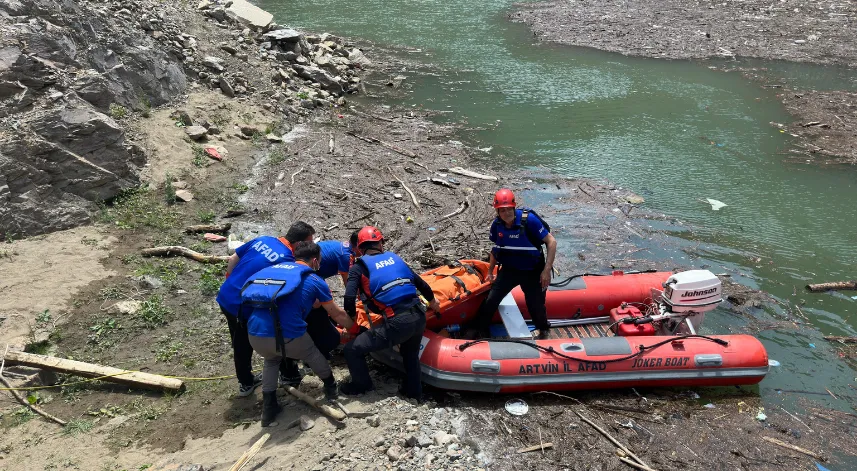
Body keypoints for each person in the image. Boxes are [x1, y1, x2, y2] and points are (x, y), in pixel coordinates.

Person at [241, 241, 355, 427]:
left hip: (255, 333)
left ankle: (268, 410)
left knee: (271, 360)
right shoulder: (314, 279)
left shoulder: (275, 269)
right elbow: (336, 313)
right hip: (288, 335)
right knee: (311, 353)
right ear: (316, 261)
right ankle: (330, 388)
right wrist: (354, 328)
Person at [215, 221, 315, 397]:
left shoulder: (263, 240)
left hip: (226, 294)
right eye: (309, 242)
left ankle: (247, 381)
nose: (311, 246)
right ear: (299, 244)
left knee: (239, 341)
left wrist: (231, 282)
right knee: (273, 332)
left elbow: (232, 260)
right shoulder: (286, 258)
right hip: (241, 305)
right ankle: (284, 375)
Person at [339, 226, 440, 400]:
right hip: (418, 314)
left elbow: (349, 298)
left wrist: (352, 320)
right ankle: (414, 393)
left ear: (360, 248)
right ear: (380, 243)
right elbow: (422, 285)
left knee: (351, 350)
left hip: (398, 322)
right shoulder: (395, 258)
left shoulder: (358, 267)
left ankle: (362, 386)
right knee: (410, 355)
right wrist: (433, 303)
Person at [467, 189, 557, 340]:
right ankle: (480, 329)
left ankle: (543, 329)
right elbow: (496, 249)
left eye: (509, 209)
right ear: (497, 211)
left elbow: (551, 242)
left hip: (532, 270)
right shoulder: (497, 225)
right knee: (491, 299)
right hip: (510, 270)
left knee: (535, 304)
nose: (506, 213)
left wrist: (546, 270)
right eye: (502, 210)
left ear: (514, 207)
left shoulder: (529, 221)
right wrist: (490, 271)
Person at [302, 232, 358, 359]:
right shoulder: (346, 255)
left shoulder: (344, 247)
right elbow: (348, 286)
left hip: (313, 269)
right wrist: (354, 326)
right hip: (313, 274)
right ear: (358, 246)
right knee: (320, 308)